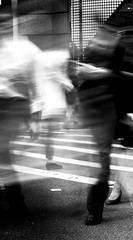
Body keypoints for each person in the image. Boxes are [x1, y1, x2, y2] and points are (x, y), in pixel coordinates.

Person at [77, 25, 133, 225]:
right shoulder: (97, 53)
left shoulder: (123, 53)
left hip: (118, 113)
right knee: (102, 161)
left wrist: (103, 74)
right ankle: (96, 208)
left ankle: (113, 194)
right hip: (103, 114)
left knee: (112, 157)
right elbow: (85, 82)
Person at [0, 35, 42, 221]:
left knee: (3, 152)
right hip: (9, 105)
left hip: (10, 105)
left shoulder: (23, 48)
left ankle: (17, 203)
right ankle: (17, 202)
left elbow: (31, 84)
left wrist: (33, 118)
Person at [35, 50, 74, 170]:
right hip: (52, 107)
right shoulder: (54, 73)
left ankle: (49, 160)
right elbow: (67, 85)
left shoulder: (42, 73)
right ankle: (49, 160)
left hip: (46, 106)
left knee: (49, 134)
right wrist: (68, 84)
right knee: (50, 134)